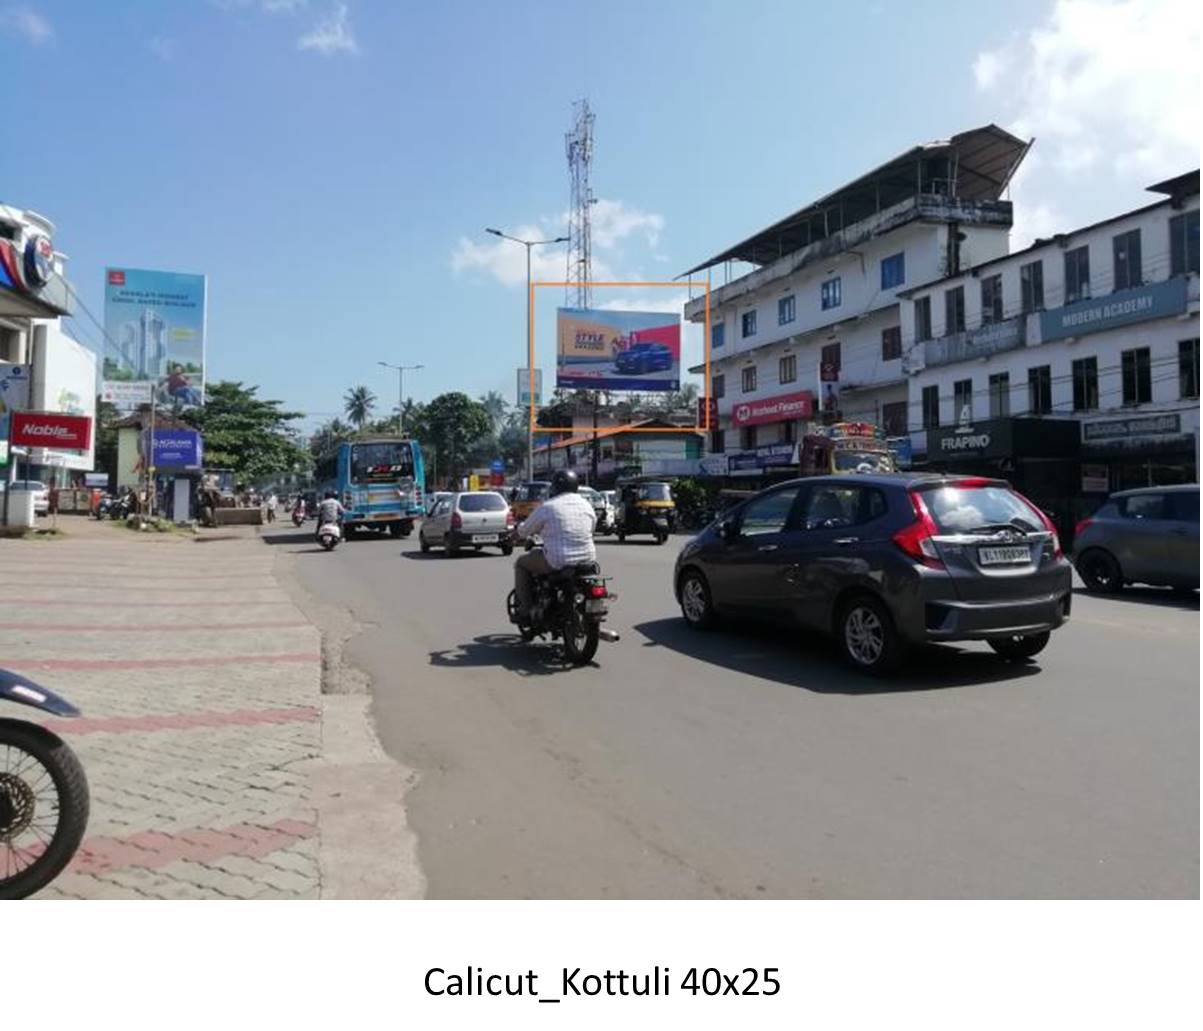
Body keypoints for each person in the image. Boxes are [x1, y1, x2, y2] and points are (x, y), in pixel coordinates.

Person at [512, 469, 597, 624]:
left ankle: (525, 610)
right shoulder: (587, 505)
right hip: (587, 560)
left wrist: (516, 535)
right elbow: (591, 529)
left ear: (555, 487)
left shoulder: (548, 506)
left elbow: (524, 530)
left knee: (521, 563)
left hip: (557, 561)